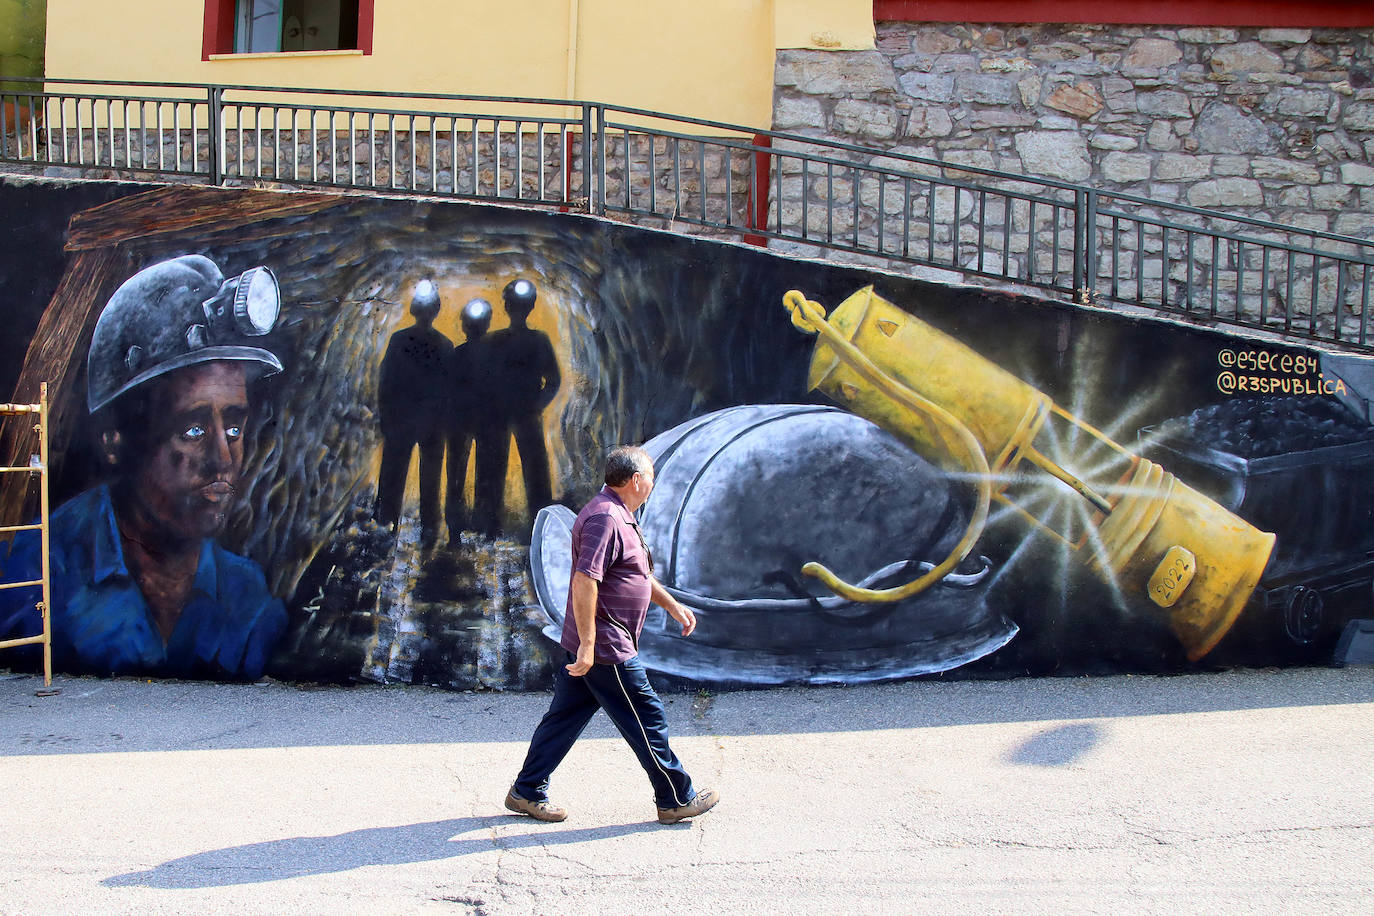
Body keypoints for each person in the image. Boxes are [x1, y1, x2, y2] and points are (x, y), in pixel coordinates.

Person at [0, 255, 287, 679]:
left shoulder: (247, 597)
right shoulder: (41, 572)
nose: (223, 459)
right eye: (191, 430)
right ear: (116, 441)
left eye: (233, 427)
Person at [505, 445, 720, 825]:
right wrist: (589, 645)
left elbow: (635, 575)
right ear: (636, 479)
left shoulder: (620, 516)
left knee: (563, 719)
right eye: (651, 476)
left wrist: (671, 605)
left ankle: (526, 791)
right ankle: (674, 799)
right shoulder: (605, 518)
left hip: (599, 643)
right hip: (606, 645)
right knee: (646, 715)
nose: (653, 483)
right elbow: (585, 580)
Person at [474, 278, 560, 537]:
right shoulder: (504, 340)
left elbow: (553, 381)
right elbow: (482, 379)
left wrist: (536, 406)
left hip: (518, 414)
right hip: (507, 414)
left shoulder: (503, 340)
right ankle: (493, 526)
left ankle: (524, 525)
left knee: (529, 471)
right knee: (497, 469)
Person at [375, 280, 452, 547]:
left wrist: (385, 416)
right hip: (432, 422)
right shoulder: (445, 344)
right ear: (435, 311)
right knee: (430, 480)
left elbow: (386, 381)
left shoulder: (399, 339)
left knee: (392, 477)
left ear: (414, 309)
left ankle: (385, 527)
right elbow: (450, 387)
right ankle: (429, 531)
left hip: (401, 419)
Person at [444, 297, 493, 542]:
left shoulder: (457, 354)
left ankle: (455, 528)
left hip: (461, 421)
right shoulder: (492, 354)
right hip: (482, 421)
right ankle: (480, 526)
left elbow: (448, 390)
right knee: (482, 473)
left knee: (456, 473)